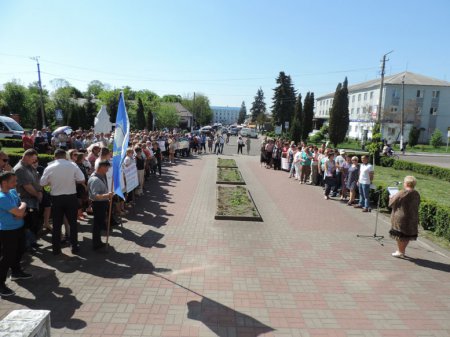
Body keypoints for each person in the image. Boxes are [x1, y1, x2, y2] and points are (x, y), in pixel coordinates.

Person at [40, 149, 86, 255]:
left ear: (55, 156)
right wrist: (72, 180)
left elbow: (42, 182)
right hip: (70, 197)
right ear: (65, 156)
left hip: (56, 198)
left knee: (56, 224)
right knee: (73, 223)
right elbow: (82, 179)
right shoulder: (72, 165)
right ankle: (74, 246)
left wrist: (51, 182)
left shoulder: (49, 167)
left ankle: (56, 249)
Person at [0, 172, 32, 297]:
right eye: (13, 181)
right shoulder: (2, 197)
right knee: (7, 257)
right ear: (4, 182)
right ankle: (1, 284)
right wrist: (22, 207)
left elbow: (19, 209)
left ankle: (16, 272)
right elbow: (19, 210)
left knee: (20, 250)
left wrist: (20, 210)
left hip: (19, 228)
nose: (16, 183)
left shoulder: (12, 192)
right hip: (7, 231)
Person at [13, 149, 43, 249]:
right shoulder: (20, 169)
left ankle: (32, 242)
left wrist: (40, 191)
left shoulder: (29, 167)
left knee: (34, 223)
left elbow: (37, 180)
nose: (34, 162)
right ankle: (27, 245)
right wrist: (38, 194)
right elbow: (27, 186)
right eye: (33, 159)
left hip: (33, 199)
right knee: (28, 223)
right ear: (26, 157)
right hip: (26, 200)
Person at [389, 176, 421, 258]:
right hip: (412, 216)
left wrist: (390, 198)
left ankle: (400, 251)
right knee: (407, 235)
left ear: (406, 183)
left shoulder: (402, 192)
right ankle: (402, 250)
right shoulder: (416, 193)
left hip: (401, 217)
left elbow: (391, 203)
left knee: (400, 235)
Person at [88, 160, 113, 250]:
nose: (107, 170)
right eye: (107, 168)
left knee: (99, 223)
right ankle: (96, 243)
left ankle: (98, 241)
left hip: (102, 203)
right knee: (97, 224)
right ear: (102, 167)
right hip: (99, 204)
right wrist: (107, 195)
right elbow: (95, 196)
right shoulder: (95, 179)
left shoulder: (101, 176)